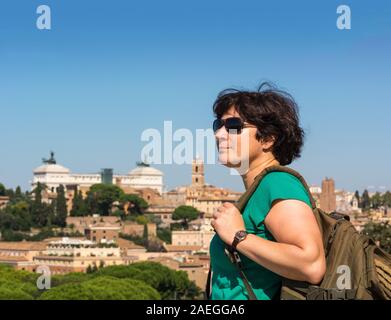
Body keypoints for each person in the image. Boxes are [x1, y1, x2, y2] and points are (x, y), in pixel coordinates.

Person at [209, 82, 326, 300]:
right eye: (218, 125)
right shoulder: (258, 191)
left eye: (233, 125)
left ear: (268, 139)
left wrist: (238, 236)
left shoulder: (279, 184)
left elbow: (311, 264)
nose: (219, 134)